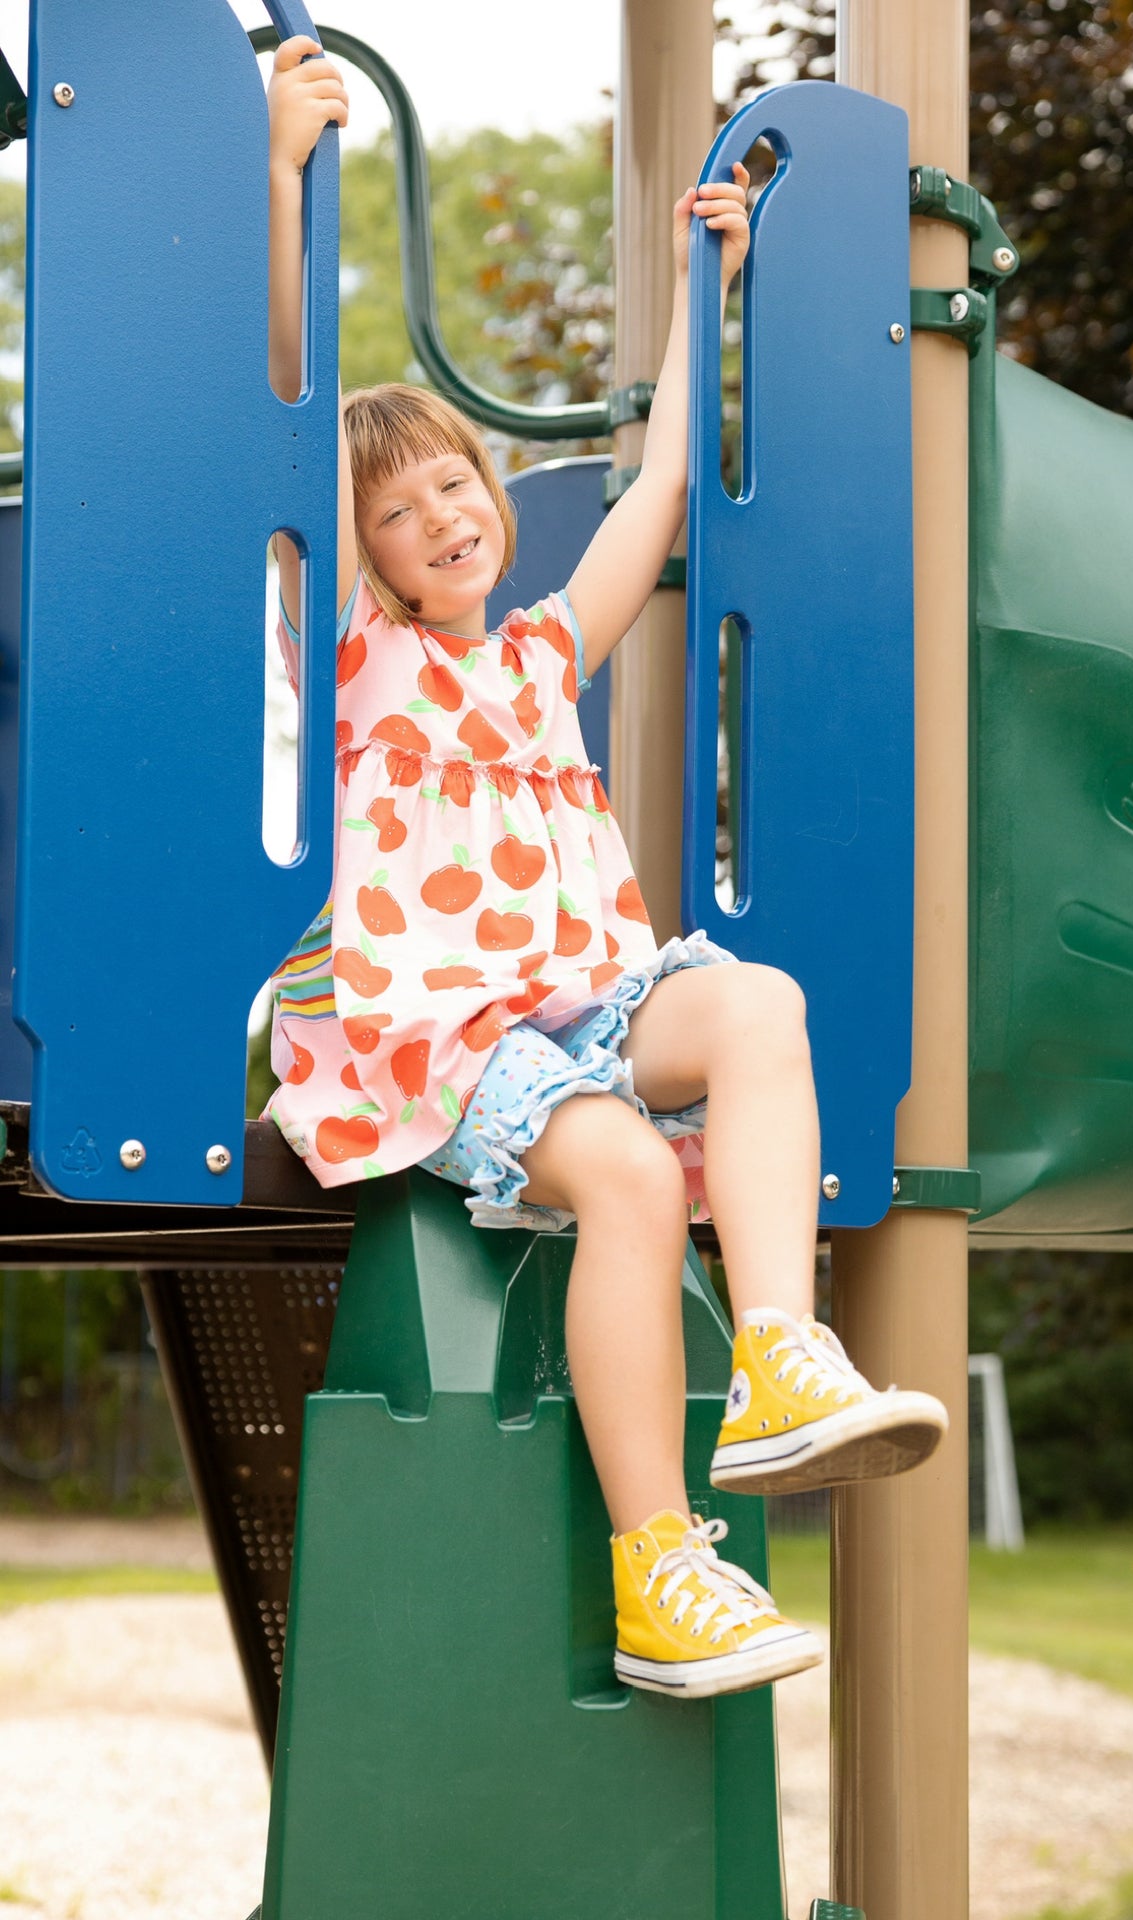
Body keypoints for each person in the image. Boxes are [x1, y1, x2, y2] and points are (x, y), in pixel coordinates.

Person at [264, 36, 948, 1701]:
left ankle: (784, 1355)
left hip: (586, 1001)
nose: (438, 516)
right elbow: (273, 443)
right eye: (396, 512)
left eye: (454, 485)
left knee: (757, 1004)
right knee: (632, 1181)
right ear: (358, 558)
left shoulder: (541, 654)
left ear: (494, 505)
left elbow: (659, 481)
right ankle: (661, 1574)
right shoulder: (363, 666)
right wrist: (284, 183)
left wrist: (705, 283)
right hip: (440, 1033)